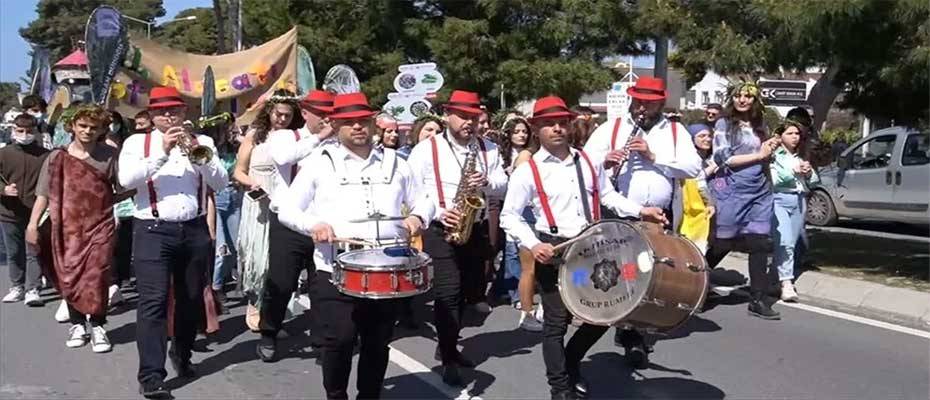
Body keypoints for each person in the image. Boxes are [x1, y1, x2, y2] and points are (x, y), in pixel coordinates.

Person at [500, 96, 664, 400]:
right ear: (537, 128)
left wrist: (642, 211)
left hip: (593, 249)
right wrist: (534, 245)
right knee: (556, 322)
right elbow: (508, 215)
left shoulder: (587, 160)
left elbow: (608, 196)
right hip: (556, 252)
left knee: (606, 312)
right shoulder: (528, 170)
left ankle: (572, 360)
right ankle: (560, 388)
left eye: (562, 122)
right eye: (550, 124)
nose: (558, 129)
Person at [277, 92, 432, 399]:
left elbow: (424, 199)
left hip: (387, 268)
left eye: (363, 121)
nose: (358, 127)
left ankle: (369, 395)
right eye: (350, 122)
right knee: (340, 339)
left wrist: (417, 217)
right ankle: (336, 394)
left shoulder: (396, 162)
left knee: (378, 340)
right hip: (335, 267)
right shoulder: (319, 164)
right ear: (336, 125)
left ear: (373, 124)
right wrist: (314, 226)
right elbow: (288, 209)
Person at [583, 77, 702, 368]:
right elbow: (584, 162)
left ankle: (633, 330)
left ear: (661, 103)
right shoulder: (610, 128)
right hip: (620, 213)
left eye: (649, 103)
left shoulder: (675, 131)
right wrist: (605, 161)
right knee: (627, 273)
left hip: (659, 215)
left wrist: (653, 156)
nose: (642, 108)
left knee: (649, 274)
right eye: (638, 102)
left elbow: (693, 167)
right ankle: (627, 330)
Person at [118, 86, 228, 398]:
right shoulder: (137, 142)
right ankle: (151, 377)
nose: (169, 116)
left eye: (175, 111)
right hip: (152, 229)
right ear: (152, 116)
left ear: (184, 113)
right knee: (152, 302)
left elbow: (220, 182)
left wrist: (198, 153)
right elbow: (126, 180)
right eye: (163, 112)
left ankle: (182, 352)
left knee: (191, 298)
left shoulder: (202, 142)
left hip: (193, 229)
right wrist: (162, 152)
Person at [406, 90, 507, 386]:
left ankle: (449, 339)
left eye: (473, 117)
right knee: (447, 293)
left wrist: (488, 182)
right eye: (463, 116)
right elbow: (412, 192)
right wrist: (438, 212)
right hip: (441, 228)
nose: (468, 122)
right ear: (448, 115)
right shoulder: (427, 149)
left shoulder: (488, 148)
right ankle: (449, 356)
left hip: (474, 227)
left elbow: (503, 183)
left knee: (471, 292)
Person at [26, 104, 123, 353]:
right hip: (66, 228)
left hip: (100, 226)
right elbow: (42, 194)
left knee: (98, 275)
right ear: (72, 126)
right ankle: (78, 324)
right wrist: (32, 225)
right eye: (83, 126)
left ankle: (99, 325)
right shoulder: (57, 157)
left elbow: (122, 188)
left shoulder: (110, 156)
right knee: (70, 277)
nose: (88, 131)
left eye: (94, 127)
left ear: (102, 129)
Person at [255, 89, 331, 360]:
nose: (326, 119)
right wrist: (320, 137)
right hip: (289, 222)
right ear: (306, 113)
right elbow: (285, 158)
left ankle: (323, 342)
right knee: (282, 282)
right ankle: (268, 332)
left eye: (330, 114)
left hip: (323, 224)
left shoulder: (336, 142)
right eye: (320, 113)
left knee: (323, 284)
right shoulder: (285, 135)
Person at [704, 81, 782, 320]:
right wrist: (758, 154)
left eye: (747, 96)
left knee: (759, 243)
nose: (742, 100)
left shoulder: (761, 125)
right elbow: (724, 158)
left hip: (759, 190)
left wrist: (769, 150)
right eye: (738, 96)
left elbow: (765, 156)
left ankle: (757, 299)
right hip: (731, 189)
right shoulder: (723, 124)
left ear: (755, 99)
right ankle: (696, 282)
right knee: (722, 243)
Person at [0, 114, 50, 306]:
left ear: (36, 132)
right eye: (20, 131)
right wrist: (3, 189)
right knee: (14, 252)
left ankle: (33, 289)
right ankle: (17, 286)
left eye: (29, 131)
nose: (24, 134)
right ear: (13, 130)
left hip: (36, 213)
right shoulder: (4, 154)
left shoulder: (44, 155)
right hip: (8, 212)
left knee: (34, 251)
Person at [771, 120, 818, 302]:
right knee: (785, 241)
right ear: (780, 136)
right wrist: (793, 172)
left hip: (799, 200)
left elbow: (814, 181)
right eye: (790, 133)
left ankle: (774, 279)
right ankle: (786, 283)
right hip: (779, 199)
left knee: (791, 240)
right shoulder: (774, 155)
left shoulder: (799, 156)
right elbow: (775, 179)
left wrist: (808, 172)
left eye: (797, 134)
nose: (794, 137)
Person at [210, 117, 242, 311]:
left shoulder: (235, 148)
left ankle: (224, 281)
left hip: (235, 196)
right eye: (230, 128)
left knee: (236, 244)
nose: (233, 130)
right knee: (221, 247)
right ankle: (216, 287)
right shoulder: (213, 150)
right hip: (217, 197)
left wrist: (241, 140)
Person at [679, 123, 717, 254]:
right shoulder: (689, 158)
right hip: (687, 205)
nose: (707, 139)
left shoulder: (710, 158)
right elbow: (699, 180)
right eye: (702, 136)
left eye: (709, 136)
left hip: (700, 205)